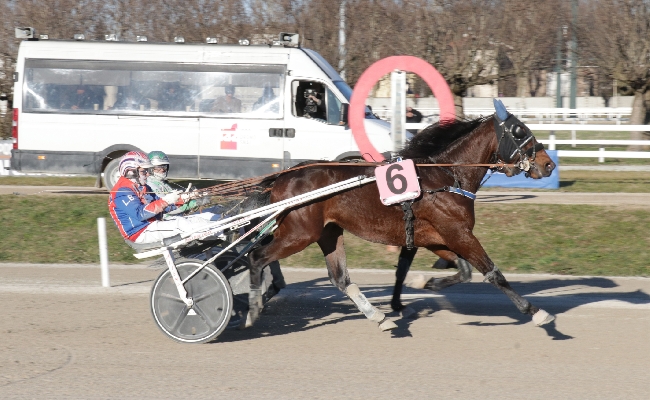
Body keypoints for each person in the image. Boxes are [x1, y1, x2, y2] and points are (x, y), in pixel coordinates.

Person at [108, 151, 220, 245]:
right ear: (130, 172)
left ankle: (223, 227)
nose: (147, 174)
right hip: (139, 232)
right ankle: (220, 233)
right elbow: (140, 214)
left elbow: (163, 207)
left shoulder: (142, 187)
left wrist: (185, 198)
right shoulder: (121, 191)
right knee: (180, 224)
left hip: (152, 225)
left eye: (148, 171)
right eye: (144, 171)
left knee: (198, 219)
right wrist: (166, 200)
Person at [146, 150, 209, 217]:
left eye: (164, 166)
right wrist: (194, 203)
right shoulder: (150, 185)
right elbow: (167, 208)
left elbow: (177, 199)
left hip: (178, 216)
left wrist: (193, 196)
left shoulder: (162, 182)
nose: (162, 170)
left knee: (215, 210)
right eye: (158, 167)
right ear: (150, 169)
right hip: (166, 220)